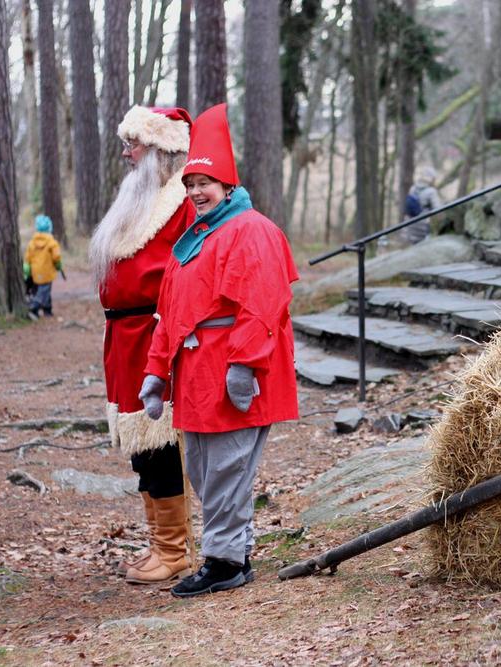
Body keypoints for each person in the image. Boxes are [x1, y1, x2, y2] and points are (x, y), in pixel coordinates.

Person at [139, 104, 300, 597]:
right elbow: (171, 312)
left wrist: (245, 366)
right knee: (205, 472)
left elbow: (261, 302)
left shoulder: (252, 230)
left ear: (227, 185)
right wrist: (155, 374)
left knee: (228, 468)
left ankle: (225, 563)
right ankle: (234, 552)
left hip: (232, 371)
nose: (195, 193)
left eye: (204, 184)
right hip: (195, 374)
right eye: (189, 186)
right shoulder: (195, 240)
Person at [88, 106, 197, 585]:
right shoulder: (139, 201)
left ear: (161, 151)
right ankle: (159, 544)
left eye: (134, 144)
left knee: (159, 442)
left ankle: (175, 551)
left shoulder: (181, 204)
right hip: (123, 340)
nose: (126, 153)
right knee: (140, 447)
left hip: (154, 336)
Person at [23, 215, 62, 319]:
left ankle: (47, 310)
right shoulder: (52, 243)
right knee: (44, 292)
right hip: (47, 273)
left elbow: (27, 258)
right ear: (49, 228)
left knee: (41, 291)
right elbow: (56, 257)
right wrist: (58, 266)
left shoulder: (32, 243)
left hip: (35, 273)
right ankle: (33, 308)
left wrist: (27, 270)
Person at [401, 166, 442, 244]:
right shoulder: (432, 192)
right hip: (422, 226)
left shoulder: (413, 188)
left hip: (408, 225)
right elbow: (438, 210)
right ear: (432, 179)